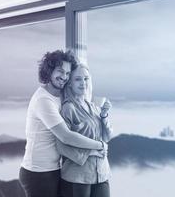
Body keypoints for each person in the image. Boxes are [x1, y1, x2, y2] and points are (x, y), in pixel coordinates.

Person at [19, 50, 107, 197]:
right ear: (49, 71)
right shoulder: (44, 100)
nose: (64, 77)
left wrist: (100, 112)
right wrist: (100, 145)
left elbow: (82, 96)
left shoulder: (59, 95)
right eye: (60, 71)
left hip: (53, 169)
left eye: (67, 73)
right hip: (38, 172)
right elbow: (66, 136)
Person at [59, 64, 113, 197]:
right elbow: (61, 145)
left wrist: (104, 115)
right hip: (78, 176)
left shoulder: (95, 107)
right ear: (70, 83)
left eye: (86, 79)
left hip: (101, 172)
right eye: (78, 79)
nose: (83, 83)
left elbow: (107, 138)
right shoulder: (68, 108)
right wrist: (90, 152)